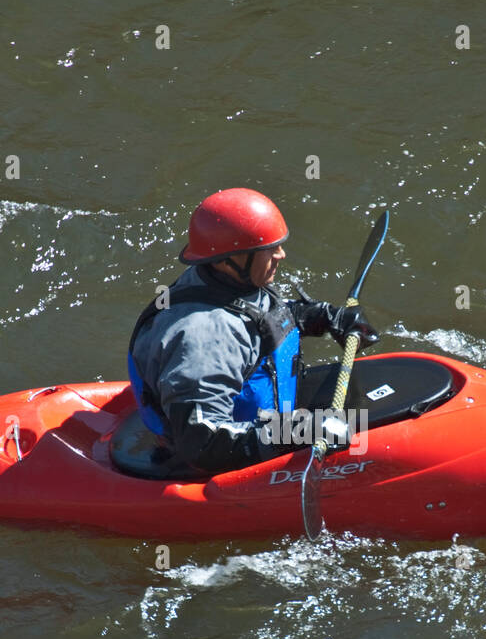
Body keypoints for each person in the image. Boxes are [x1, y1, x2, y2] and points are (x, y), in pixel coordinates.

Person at [127, 188, 379, 474]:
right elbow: (201, 443)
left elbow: (262, 318)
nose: (281, 255)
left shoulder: (224, 280)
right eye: (268, 249)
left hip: (262, 418)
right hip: (214, 459)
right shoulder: (206, 338)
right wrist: (293, 432)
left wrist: (327, 317)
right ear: (228, 259)